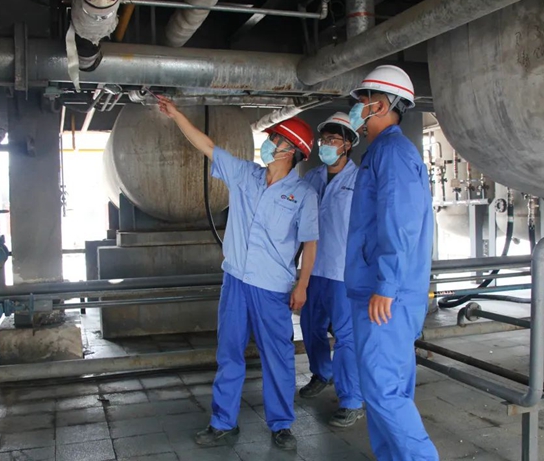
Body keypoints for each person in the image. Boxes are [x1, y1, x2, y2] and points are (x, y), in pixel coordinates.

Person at [157, 96, 319, 451]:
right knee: (229, 352)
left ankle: (281, 424)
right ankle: (223, 423)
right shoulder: (246, 174)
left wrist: (303, 284)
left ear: (290, 150)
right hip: (235, 281)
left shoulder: (303, 195)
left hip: (271, 288)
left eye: (275, 139)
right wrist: (177, 115)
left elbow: (310, 243)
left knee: (277, 357)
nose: (268, 143)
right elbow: (208, 146)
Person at [344, 66, 439, 460]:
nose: (358, 109)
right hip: (380, 290)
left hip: (386, 295)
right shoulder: (381, 152)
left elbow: (399, 223)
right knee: (385, 389)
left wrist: (386, 284)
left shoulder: (393, 153)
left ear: (381, 105)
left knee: (383, 391)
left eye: (363, 102)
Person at [299, 112, 364, 428]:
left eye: (334, 140)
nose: (326, 145)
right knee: (311, 326)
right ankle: (321, 373)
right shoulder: (311, 178)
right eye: (324, 140)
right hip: (313, 269)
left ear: (348, 145)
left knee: (346, 336)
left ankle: (352, 400)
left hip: (343, 271)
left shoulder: (360, 180)